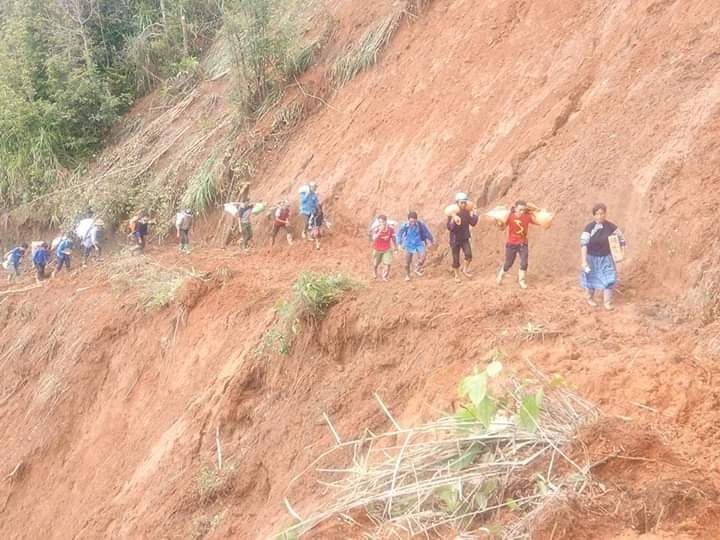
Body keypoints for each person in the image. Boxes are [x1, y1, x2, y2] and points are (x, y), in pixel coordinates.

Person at [580, 203, 626, 310]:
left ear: (605, 214)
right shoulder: (589, 228)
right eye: (597, 214)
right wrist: (584, 261)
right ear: (594, 215)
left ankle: (607, 302)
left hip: (606, 258)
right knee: (591, 278)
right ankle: (590, 298)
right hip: (591, 259)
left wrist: (621, 253)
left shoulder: (611, 227)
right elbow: (583, 245)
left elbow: (622, 239)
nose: (600, 216)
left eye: (602, 213)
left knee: (610, 278)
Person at [496, 200, 540, 289]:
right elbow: (502, 228)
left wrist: (541, 215)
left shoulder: (527, 217)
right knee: (509, 263)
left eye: (523, 210)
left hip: (523, 243)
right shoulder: (510, 216)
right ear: (515, 208)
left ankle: (522, 281)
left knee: (524, 263)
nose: (521, 212)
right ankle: (501, 274)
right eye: (520, 210)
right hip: (511, 243)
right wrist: (499, 223)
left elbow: (537, 222)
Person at [447, 192, 479, 282]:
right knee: (456, 259)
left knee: (469, 255)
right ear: (457, 203)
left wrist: (475, 214)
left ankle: (465, 269)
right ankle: (456, 275)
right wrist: (453, 220)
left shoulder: (466, 212)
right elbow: (450, 228)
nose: (464, 204)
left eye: (465, 202)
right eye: (462, 202)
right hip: (455, 239)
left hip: (464, 237)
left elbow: (473, 223)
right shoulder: (452, 213)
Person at [396, 211, 434, 281]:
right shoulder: (405, 226)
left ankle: (417, 268)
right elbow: (399, 234)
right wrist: (399, 244)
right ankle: (408, 275)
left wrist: (431, 240)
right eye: (411, 221)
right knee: (407, 262)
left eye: (414, 221)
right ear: (408, 220)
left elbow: (427, 232)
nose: (412, 222)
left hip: (418, 243)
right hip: (408, 244)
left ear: (416, 219)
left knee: (423, 257)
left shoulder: (420, 224)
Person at [370, 214, 398, 281]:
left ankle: (384, 276)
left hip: (387, 249)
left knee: (387, 264)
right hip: (377, 248)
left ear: (386, 221)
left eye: (382, 222)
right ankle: (375, 272)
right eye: (379, 222)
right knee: (376, 263)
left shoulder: (390, 229)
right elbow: (373, 238)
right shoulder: (376, 229)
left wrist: (396, 247)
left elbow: (393, 238)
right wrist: (380, 231)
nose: (381, 223)